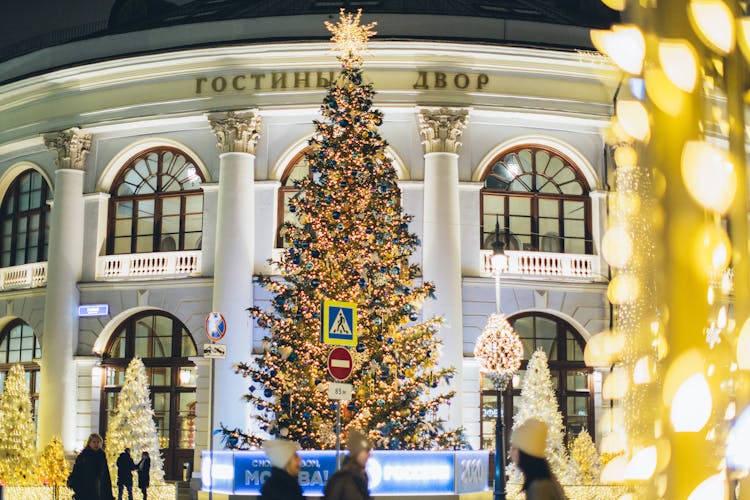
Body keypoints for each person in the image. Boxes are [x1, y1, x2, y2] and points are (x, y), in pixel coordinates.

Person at [510, 418, 567, 500]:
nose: (510, 453)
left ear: (525, 454)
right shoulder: (543, 480)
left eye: (514, 448)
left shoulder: (539, 487)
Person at [323, 429, 372, 500]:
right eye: (366, 451)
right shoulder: (341, 479)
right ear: (357, 452)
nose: (369, 455)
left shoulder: (361, 477)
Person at [67, 433, 115, 500]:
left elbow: (106, 474)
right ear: (89, 443)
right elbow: (77, 472)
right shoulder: (83, 456)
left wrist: (108, 493)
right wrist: (77, 487)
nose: (96, 444)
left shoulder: (102, 456)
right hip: (86, 489)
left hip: (100, 489)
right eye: (94, 442)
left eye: (98, 442)